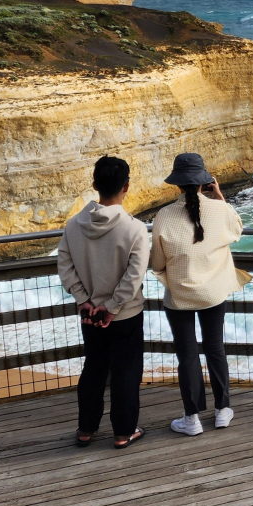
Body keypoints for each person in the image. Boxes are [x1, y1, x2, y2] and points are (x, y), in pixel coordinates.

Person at [57, 155, 150, 449]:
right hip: (124, 315)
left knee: (94, 368)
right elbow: (134, 276)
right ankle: (124, 432)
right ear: (127, 187)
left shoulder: (73, 225)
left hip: (89, 314)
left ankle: (86, 429)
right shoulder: (134, 229)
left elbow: (65, 263)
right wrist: (112, 307)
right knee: (126, 371)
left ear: (95, 185)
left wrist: (83, 299)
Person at [151, 152, 246, 436]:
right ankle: (222, 411)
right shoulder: (219, 211)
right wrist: (219, 195)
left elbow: (156, 263)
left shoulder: (163, 216)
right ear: (205, 181)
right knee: (215, 349)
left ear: (177, 184)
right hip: (213, 293)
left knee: (188, 355)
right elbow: (237, 229)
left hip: (180, 296)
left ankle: (191, 419)